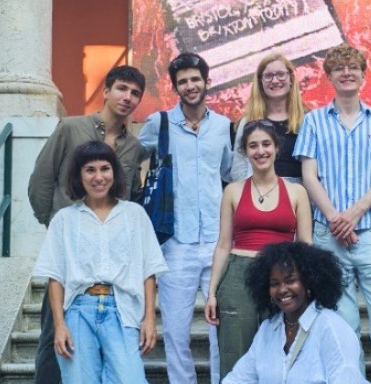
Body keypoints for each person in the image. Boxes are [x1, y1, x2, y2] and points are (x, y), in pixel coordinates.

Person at [293, 43, 371, 384]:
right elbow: (308, 176)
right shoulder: (313, 121)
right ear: (329, 76)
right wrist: (334, 219)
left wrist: (354, 214)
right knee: (343, 325)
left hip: (370, 235)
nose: (346, 73)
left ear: (362, 74)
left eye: (353, 68)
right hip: (329, 238)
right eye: (339, 69)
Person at [28, 65, 147, 384]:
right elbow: (40, 181)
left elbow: (129, 196)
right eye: (122, 88)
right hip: (70, 258)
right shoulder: (70, 128)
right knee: (53, 336)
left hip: (108, 263)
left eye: (135, 93)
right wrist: (56, 227)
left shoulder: (135, 148)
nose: (128, 97)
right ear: (106, 91)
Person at [32, 141, 168, 383]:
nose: (98, 177)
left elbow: (149, 272)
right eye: (90, 170)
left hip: (123, 309)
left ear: (114, 173)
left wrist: (149, 319)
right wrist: (60, 325)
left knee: (130, 379)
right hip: (78, 311)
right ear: (79, 175)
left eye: (105, 168)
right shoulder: (64, 220)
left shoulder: (134, 215)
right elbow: (55, 277)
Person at [138, 52, 232, 384]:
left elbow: (229, 172)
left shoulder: (223, 127)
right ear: (175, 86)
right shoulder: (159, 124)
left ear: (207, 81)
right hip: (174, 243)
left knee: (220, 328)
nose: (190, 86)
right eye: (183, 81)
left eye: (196, 79)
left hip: (217, 242)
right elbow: (132, 156)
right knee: (176, 333)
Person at [204, 119, 312, 378]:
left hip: (282, 278)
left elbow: (306, 246)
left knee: (284, 353)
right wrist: (211, 293)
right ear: (244, 152)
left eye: (266, 144)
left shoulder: (297, 192)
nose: (260, 151)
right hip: (238, 277)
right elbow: (223, 245)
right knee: (235, 354)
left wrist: (308, 289)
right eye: (253, 146)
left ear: (277, 148)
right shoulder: (233, 191)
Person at [222, 242, 369, 384]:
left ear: (309, 282)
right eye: (275, 284)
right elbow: (237, 379)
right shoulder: (268, 330)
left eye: (291, 280)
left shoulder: (332, 330)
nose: (282, 289)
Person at [231, 53, 306, 183]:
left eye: (281, 74)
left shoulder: (306, 121)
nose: (275, 80)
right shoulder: (248, 122)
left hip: (299, 199)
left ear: (291, 79)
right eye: (268, 76)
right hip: (258, 197)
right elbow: (238, 171)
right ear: (260, 82)